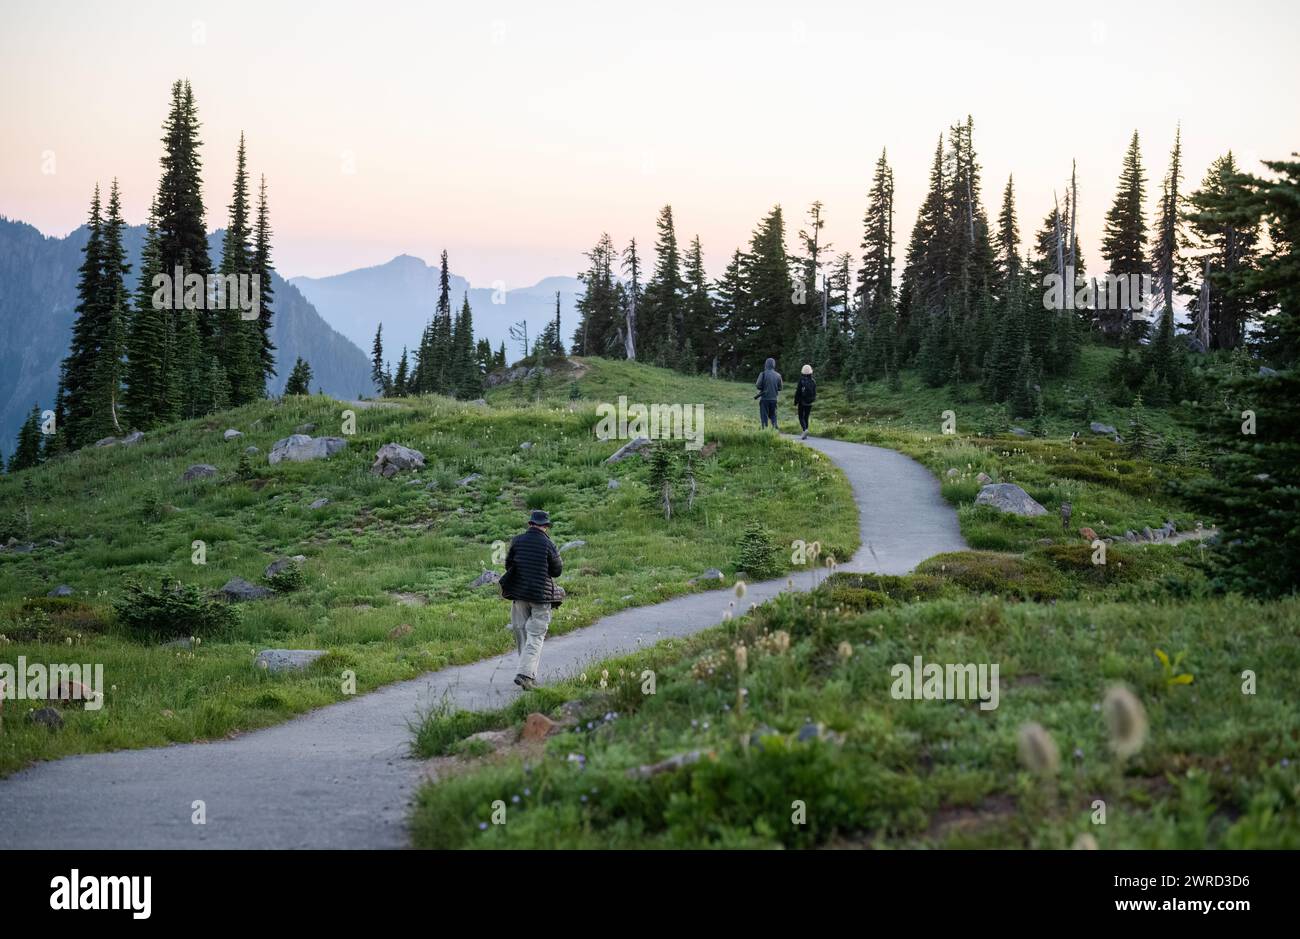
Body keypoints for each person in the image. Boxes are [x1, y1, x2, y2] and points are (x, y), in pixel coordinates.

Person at [498, 509, 565, 690]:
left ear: (530, 524)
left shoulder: (517, 541)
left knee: (521, 633)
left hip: (519, 594)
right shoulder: (549, 544)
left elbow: (508, 564)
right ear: (546, 527)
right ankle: (526, 674)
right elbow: (557, 570)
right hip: (540, 597)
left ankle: (527, 674)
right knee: (536, 634)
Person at [754, 357, 783, 429]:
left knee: (764, 416)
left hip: (764, 399)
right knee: (773, 415)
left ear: (766, 364)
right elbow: (780, 388)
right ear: (774, 365)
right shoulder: (778, 375)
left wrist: (763, 388)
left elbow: (758, 385)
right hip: (774, 399)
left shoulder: (763, 374)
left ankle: (765, 430)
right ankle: (774, 426)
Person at [794, 364, 817, 439]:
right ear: (811, 372)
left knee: (801, 417)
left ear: (802, 372)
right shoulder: (813, 381)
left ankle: (805, 429)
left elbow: (798, 392)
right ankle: (805, 431)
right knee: (806, 417)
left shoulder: (801, 380)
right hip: (810, 402)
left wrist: (795, 401)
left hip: (802, 401)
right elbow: (814, 393)